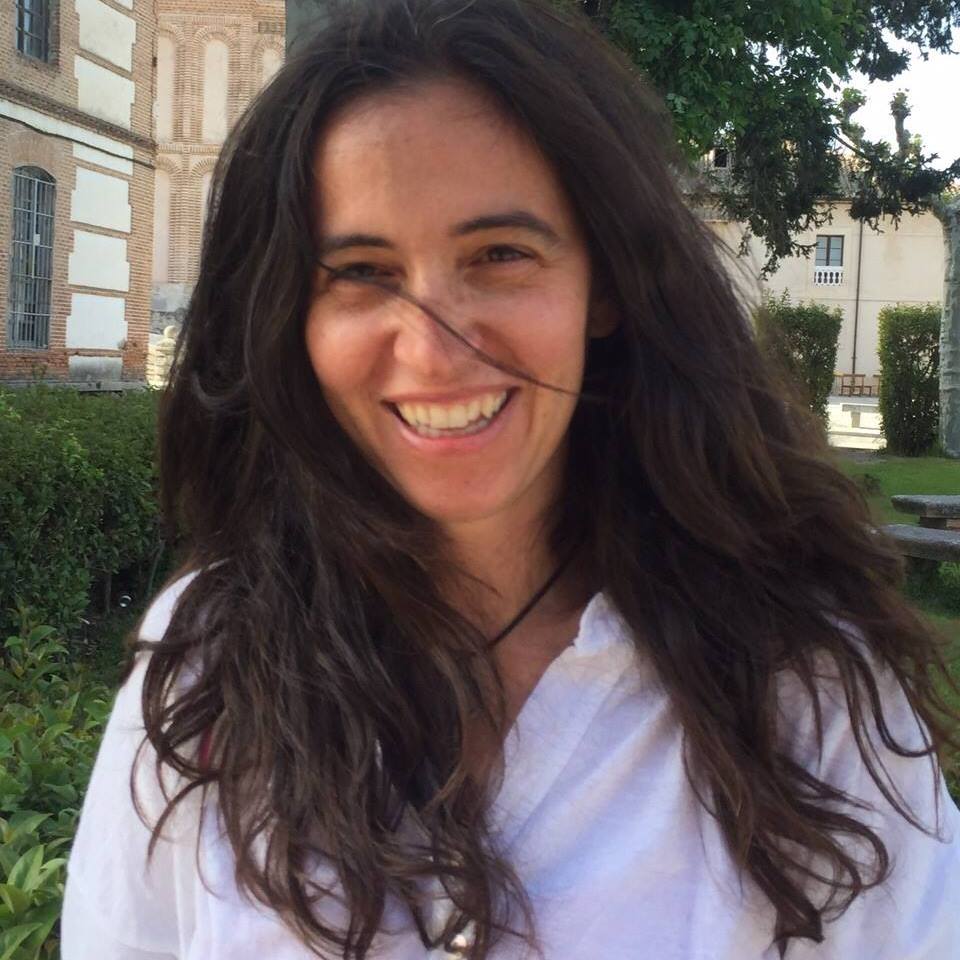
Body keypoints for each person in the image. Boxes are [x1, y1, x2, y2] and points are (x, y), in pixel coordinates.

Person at [61, 1, 960, 958]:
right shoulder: (207, 665)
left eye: (499, 255)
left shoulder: (800, 683)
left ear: (604, 284)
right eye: (361, 271)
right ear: (291, 317)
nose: (433, 348)